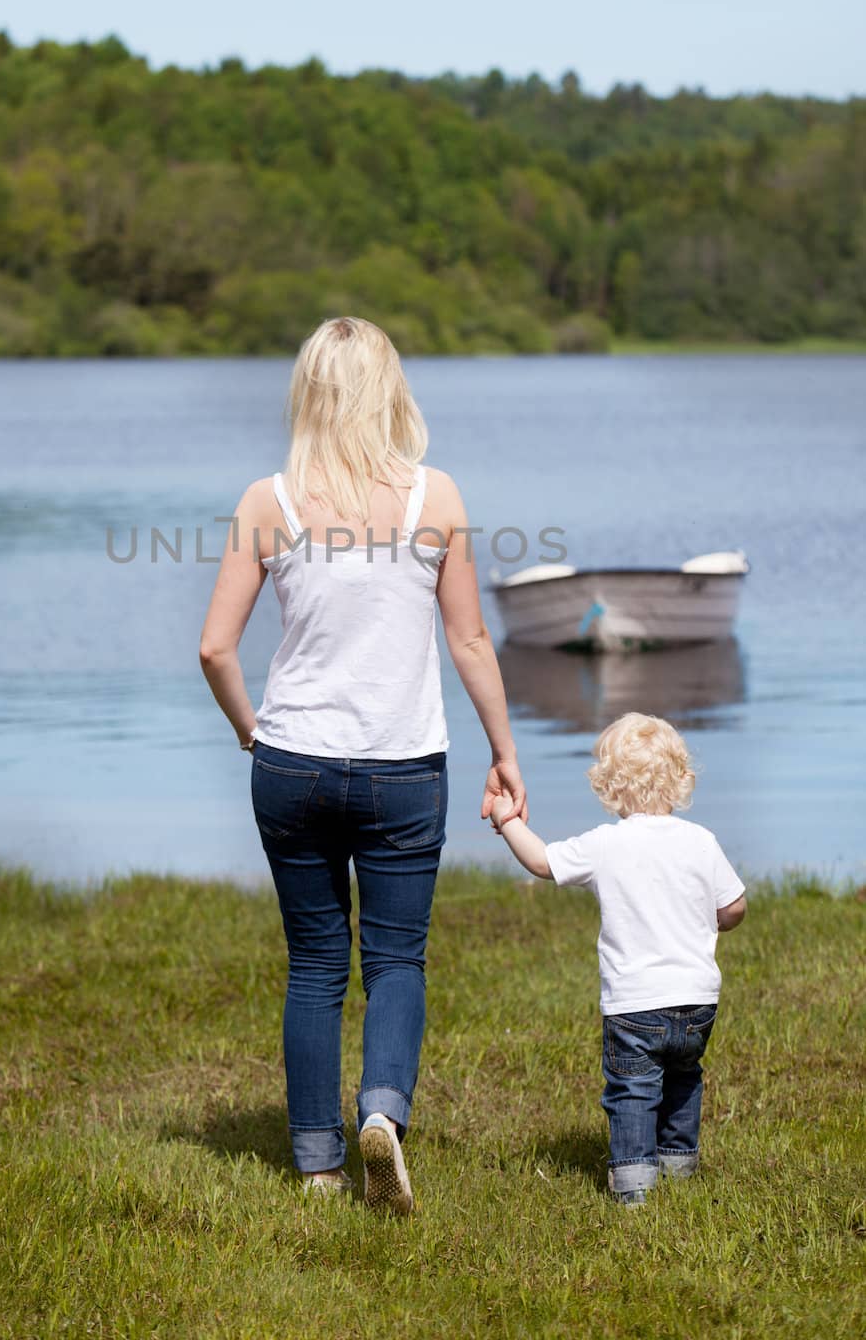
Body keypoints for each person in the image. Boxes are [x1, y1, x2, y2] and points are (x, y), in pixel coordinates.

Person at [199, 316, 527, 1212]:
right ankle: (381, 1110)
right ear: (390, 388)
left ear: (308, 390)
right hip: (404, 766)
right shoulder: (437, 496)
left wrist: (249, 734)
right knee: (394, 961)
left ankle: (315, 1164)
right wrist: (503, 751)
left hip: (292, 762)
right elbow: (466, 637)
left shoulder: (268, 500)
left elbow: (215, 651)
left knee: (313, 961)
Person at [489, 710, 746, 1206]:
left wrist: (506, 819)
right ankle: (679, 1164)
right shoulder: (701, 841)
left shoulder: (606, 843)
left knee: (633, 1089)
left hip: (634, 1004)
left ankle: (633, 1185)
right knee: (684, 1078)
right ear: (680, 779)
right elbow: (734, 906)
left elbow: (543, 862)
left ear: (608, 786)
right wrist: (718, 921)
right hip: (697, 1002)